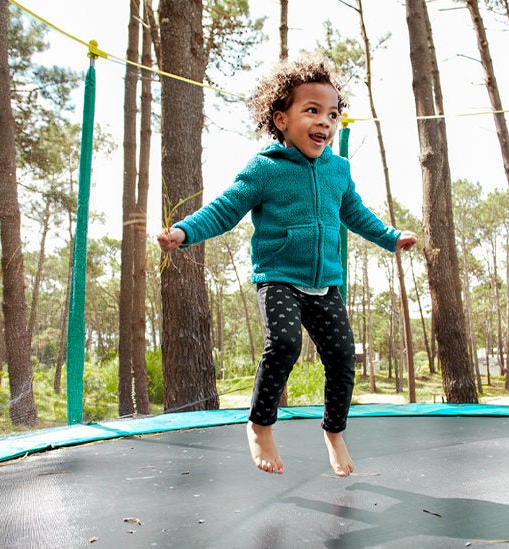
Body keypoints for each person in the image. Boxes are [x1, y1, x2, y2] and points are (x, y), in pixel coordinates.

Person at [157, 57, 417, 477]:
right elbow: (225, 209)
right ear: (281, 118)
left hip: (325, 283)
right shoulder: (265, 169)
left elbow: (356, 213)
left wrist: (391, 236)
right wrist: (184, 232)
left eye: (332, 114)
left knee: (342, 357)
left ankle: (334, 432)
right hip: (278, 277)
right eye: (311, 110)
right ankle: (260, 424)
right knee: (284, 342)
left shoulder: (338, 170)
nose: (324, 122)